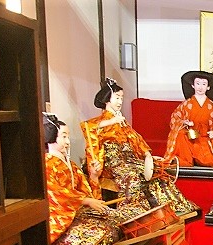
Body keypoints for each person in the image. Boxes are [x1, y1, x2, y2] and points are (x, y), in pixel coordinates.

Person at [81, 78, 198, 216]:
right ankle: (132, 212)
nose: (120, 101)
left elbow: (136, 139)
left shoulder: (121, 121)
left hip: (128, 158)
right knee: (133, 176)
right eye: (117, 98)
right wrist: (110, 122)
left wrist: (147, 154)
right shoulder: (101, 121)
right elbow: (87, 127)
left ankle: (168, 209)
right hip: (113, 162)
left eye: (121, 98)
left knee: (157, 171)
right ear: (107, 100)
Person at [44, 114, 129, 245]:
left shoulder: (71, 165)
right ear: (51, 137)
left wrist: (94, 176)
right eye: (63, 137)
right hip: (61, 218)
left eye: (67, 136)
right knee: (104, 232)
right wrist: (85, 201)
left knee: (118, 221)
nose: (67, 141)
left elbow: (87, 193)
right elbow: (56, 193)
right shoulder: (47, 164)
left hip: (78, 213)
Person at [164, 71, 213, 168]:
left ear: (208, 87)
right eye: (198, 83)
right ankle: (184, 159)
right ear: (193, 85)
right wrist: (183, 122)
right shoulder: (186, 104)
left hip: (205, 139)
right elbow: (175, 118)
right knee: (180, 134)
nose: (200, 87)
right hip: (189, 138)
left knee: (209, 162)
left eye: (204, 84)